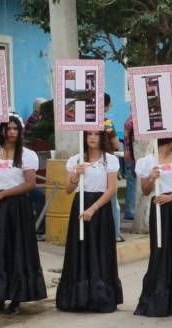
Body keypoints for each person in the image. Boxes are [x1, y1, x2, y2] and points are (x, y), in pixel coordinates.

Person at [0, 114, 47, 315]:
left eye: (15, 129)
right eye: (9, 128)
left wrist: (4, 194)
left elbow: (30, 183)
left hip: (17, 206)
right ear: (2, 130)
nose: (12, 132)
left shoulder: (27, 155)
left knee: (17, 249)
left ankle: (16, 298)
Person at [56, 130, 123, 313]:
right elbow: (68, 190)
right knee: (80, 249)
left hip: (100, 208)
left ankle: (101, 296)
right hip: (80, 205)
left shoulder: (109, 160)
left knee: (100, 250)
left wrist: (93, 209)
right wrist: (76, 175)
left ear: (102, 138)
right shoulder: (75, 160)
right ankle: (78, 296)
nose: (92, 138)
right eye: (89, 134)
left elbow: (111, 190)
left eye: (96, 134)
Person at [133, 137, 172, 317]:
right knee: (160, 250)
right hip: (158, 206)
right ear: (169, 140)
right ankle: (158, 294)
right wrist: (152, 178)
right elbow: (145, 190)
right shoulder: (147, 162)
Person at [103, 93, 124, 242]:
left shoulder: (86, 122)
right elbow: (116, 144)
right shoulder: (107, 123)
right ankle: (115, 233)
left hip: (90, 163)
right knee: (112, 202)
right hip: (107, 163)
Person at [122, 115, 137, 221]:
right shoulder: (137, 121)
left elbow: (126, 140)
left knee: (131, 183)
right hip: (134, 154)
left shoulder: (129, 120)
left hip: (129, 154)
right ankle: (131, 211)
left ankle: (130, 211)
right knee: (133, 183)